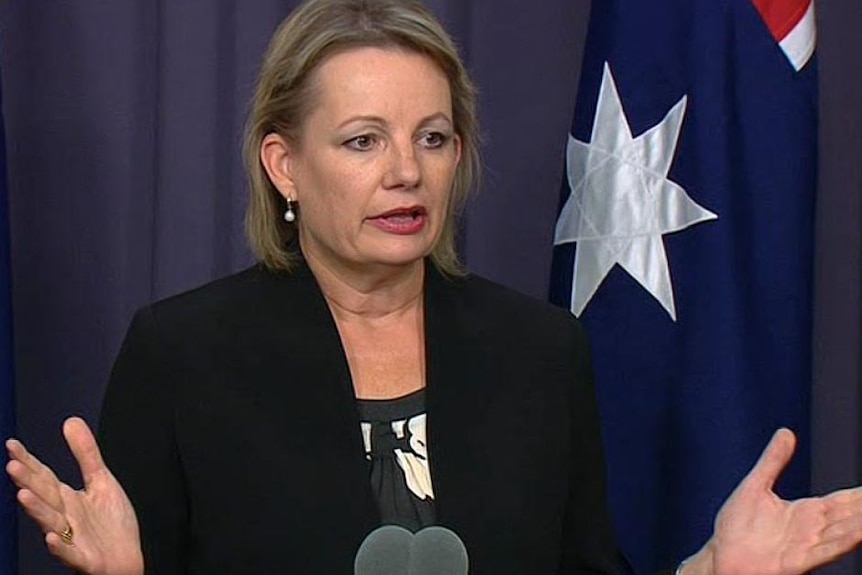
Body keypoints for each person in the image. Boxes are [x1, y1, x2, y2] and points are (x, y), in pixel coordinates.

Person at [6, 0, 862, 573]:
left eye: (434, 137)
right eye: (363, 141)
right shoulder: (181, 352)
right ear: (284, 165)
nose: (407, 172)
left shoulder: (540, 349)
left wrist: (707, 570)